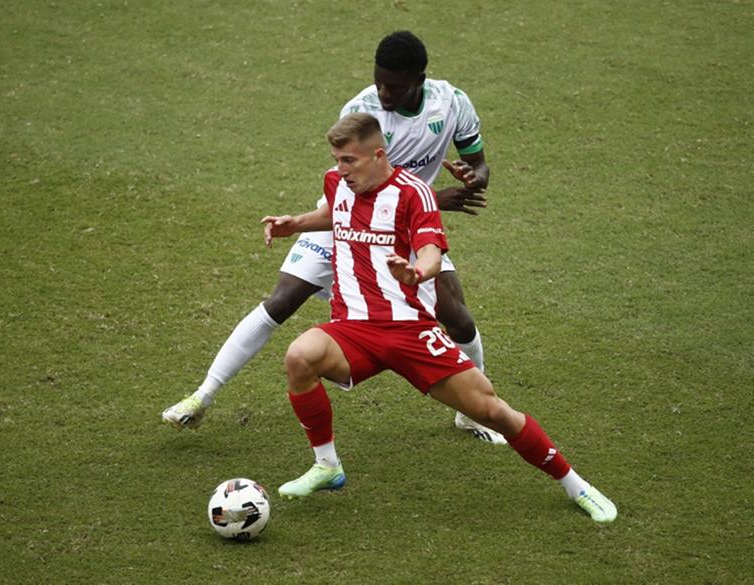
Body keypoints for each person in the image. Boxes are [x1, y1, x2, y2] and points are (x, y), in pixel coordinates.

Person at [261, 112, 617, 523]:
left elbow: (430, 248)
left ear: (378, 156)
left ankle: (576, 485)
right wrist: (295, 224)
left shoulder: (414, 194)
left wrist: (417, 273)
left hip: (410, 330)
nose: (340, 170)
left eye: (349, 161)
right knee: (299, 357)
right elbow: (336, 216)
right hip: (352, 327)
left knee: (493, 411)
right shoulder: (338, 183)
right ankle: (327, 466)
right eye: (336, 160)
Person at [163, 30, 504, 444]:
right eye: (379, 82)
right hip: (345, 219)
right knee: (281, 300)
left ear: (420, 78)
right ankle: (201, 396)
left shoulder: (451, 103)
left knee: (457, 317)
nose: (383, 93)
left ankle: (473, 413)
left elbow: (479, 165)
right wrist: (435, 196)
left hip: (405, 231)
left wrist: (474, 176)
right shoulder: (362, 111)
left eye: (394, 87)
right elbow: (354, 189)